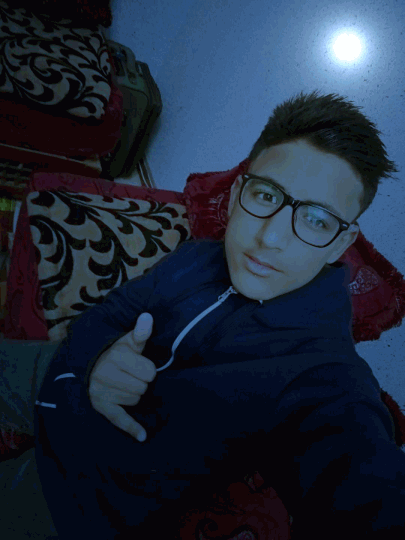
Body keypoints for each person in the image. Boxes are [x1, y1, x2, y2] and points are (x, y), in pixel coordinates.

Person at [1, 90, 404, 540]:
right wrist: (98, 357)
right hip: (55, 369)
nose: (271, 238)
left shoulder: (322, 373)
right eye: (266, 194)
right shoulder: (196, 257)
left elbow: (360, 481)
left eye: (316, 220)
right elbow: (114, 310)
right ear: (236, 195)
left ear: (340, 244)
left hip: (70, 491)